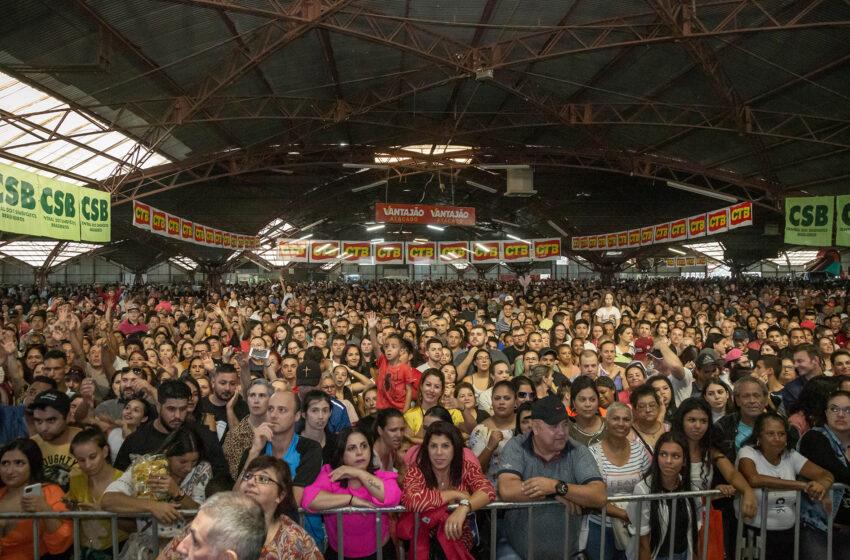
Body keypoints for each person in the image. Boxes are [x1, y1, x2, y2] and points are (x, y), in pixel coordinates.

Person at [497, 395, 607, 559]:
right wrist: (554, 494)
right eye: (554, 426)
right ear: (535, 427)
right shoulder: (517, 446)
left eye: (565, 425)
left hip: (567, 553)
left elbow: (599, 495)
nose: (562, 432)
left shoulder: (577, 450)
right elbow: (507, 489)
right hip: (518, 552)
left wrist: (557, 486)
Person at [160, 457, 323, 560]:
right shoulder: (209, 524)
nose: (251, 482)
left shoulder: (295, 540)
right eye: (248, 476)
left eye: (263, 479)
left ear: (280, 495)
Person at [736, 411, 834, 559]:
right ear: (759, 437)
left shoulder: (791, 455)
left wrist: (822, 485)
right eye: (770, 434)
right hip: (753, 533)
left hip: (787, 535)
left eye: (781, 434)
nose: (777, 438)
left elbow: (826, 475)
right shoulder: (748, 452)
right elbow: (754, 479)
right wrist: (801, 485)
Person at [672, 398, 758, 560]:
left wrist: (747, 492)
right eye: (691, 420)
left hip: (703, 520)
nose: (697, 426)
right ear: (681, 421)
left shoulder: (710, 450)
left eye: (703, 421)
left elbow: (731, 474)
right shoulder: (670, 446)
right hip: (676, 519)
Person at [236, 390, 323, 546]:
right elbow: (236, 497)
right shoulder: (255, 450)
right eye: (270, 409)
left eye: (282, 410)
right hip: (257, 540)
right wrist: (254, 452)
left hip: (301, 540)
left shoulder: (310, 449)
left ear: (297, 416)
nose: (273, 415)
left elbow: (293, 501)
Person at [102, 425, 212, 548]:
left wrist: (177, 493)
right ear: (167, 453)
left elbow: (199, 513)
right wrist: (153, 507)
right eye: (182, 462)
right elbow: (108, 500)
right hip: (146, 548)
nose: (189, 467)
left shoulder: (201, 470)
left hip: (185, 548)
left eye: (194, 461)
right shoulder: (145, 466)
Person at [399, 421, 496, 560]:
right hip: (425, 548)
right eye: (433, 446)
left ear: (455, 448)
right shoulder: (417, 469)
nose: (439, 453)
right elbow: (412, 500)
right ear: (426, 449)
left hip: (461, 544)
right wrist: (455, 494)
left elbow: (488, 490)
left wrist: (463, 508)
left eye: (445, 446)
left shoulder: (465, 467)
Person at [303, 427, 402, 559]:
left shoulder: (381, 477)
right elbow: (308, 500)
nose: (360, 452)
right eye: (351, 448)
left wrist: (358, 472)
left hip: (379, 553)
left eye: (364, 446)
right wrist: (350, 499)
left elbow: (392, 497)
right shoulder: (331, 475)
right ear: (341, 454)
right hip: (340, 554)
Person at [113, 380, 228, 479]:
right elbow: (117, 481)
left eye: (183, 409)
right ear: (158, 407)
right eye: (171, 409)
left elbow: (221, 475)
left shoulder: (201, 436)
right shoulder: (136, 440)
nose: (177, 415)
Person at [584, 402, 651, 560]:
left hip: (634, 526)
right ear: (606, 422)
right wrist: (624, 514)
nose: (621, 423)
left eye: (626, 419)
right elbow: (590, 496)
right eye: (615, 419)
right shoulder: (592, 452)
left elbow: (648, 487)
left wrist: (631, 517)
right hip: (600, 527)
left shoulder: (640, 450)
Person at [628, 432, 700, 560]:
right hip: (656, 556)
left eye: (676, 456)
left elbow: (695, 532)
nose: (668, 461)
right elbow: (643, 544)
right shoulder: (643, 489)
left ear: (684, 461)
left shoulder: (691, 488)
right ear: (656, 457)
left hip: (684, 554)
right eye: (663, 454)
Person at [798, 389, 850, 560]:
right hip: (818, 526)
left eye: (848, 410)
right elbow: (836, 470)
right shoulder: (814, 438)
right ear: (826, 413)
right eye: (834, 409)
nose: (841, 415)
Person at [0, 438, 73, 560]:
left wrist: (45, 510)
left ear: (32, 465)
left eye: (19, 463)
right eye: (5, 463)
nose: (10, 471)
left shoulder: (50, 492)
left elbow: (62, 544)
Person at [67, 427, 127, 558]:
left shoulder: (124, 481)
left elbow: (135, 526)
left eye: (92, 457)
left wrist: (107, 515)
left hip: (119, 550)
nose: (88, 465)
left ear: (105, 451)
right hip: (84, 551)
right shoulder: (75, 480)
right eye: (81, 460)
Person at [29, 388, 81, 491]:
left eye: (51, 420)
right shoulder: (32, 445)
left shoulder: (87, 441)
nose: (43, 428)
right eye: (38, 421)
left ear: (68, 417)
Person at [468, 380, 517, 482]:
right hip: (491, 489)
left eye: (507, 398)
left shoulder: (525, 424)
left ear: (515, 401)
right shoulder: (481, 430)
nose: (501, 402)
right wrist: (489, 447)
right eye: (497, 398)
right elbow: (474, 471)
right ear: (491, 401)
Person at [223, 378, 272, 480]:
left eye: (262, 395)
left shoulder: (279, 429)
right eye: (252, 395)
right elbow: (236, 477)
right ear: (247, 399)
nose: (256, 400)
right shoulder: (235, 435)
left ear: (271, 399)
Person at [404, 369, 463, 444]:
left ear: (442, 391)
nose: (432, 390)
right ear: (421, 386)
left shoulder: (452, 413)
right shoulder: (410, 416)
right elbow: (407, 447)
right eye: (428, 385)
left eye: (437, 387)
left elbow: (467, 434)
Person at [107, 397, 154, 464]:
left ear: (144, 418)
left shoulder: (145, 440)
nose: (129, 412)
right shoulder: (113, 431)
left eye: (136, 410)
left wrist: (125, 427)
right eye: (127, 408)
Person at [569, 375, 607, 447]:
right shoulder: (567, 431)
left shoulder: (610, 426)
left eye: (592, 399)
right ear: (573, 402)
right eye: (582, 400)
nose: (588, 404)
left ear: (598, 401)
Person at [630, 385, 667, 456]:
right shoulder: (629, 434)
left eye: (652, 405)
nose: (648, 410)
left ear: (659, 406)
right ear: (634, 409)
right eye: (642, 406)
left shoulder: (669, 429)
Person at [371, 407, 405, 473]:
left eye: (402, 429)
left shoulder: (392, 452)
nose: (399, 435)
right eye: (393, 430)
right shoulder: (370, 458)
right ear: (380, 430)